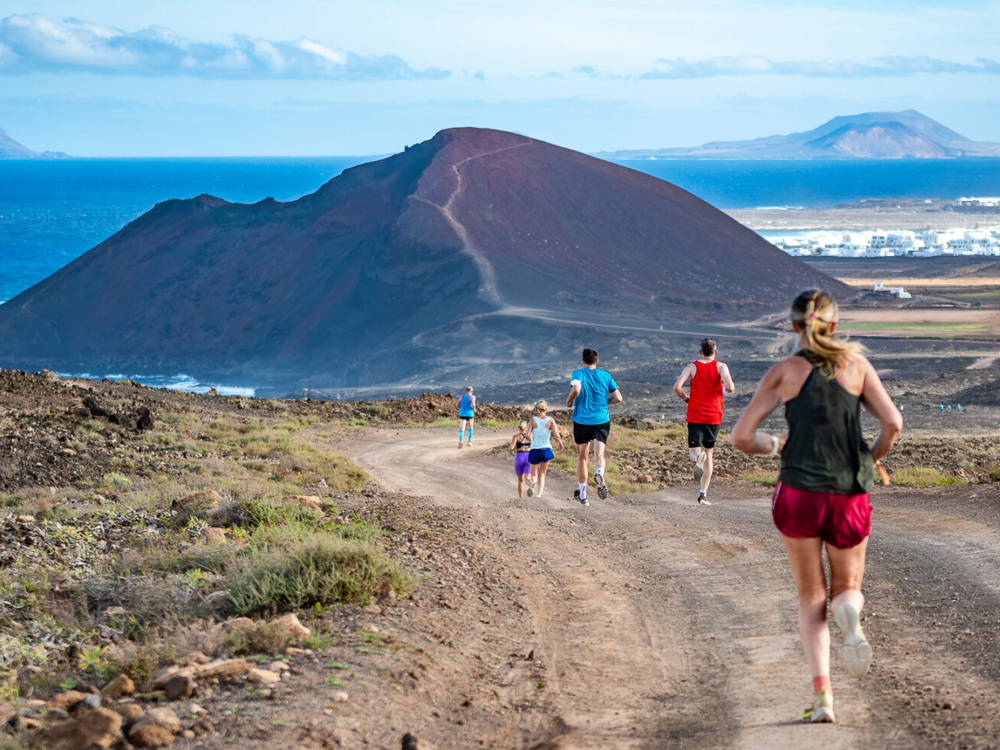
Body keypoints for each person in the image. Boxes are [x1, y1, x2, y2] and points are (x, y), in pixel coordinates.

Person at [732, 289, 902, 724]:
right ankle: (850, 610)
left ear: (792, 327)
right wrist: (871, 459)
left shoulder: (783, 373)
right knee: (847, 587)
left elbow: (741, 437)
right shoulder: (857, 367)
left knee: (811, 597)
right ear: (834, 325)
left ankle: (823, 695)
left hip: (798, 493)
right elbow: (893, 423)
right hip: (848, 491)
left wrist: (776, 445)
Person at [673, 338, 736, 506]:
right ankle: (703, 495)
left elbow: (677, 386)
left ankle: (697, 458)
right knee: (709, 454)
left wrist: (686, 399)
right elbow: (731, 387)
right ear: (716, 352)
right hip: (713, 417)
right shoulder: (721, 366)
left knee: (694, 452)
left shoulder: (692, 366)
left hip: (695, 416)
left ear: (700, 352)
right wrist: (724, 388)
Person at [566, 348, 623, 506]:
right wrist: (606, 402)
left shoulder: (578, 373)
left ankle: (583, 496)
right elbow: (618, 398)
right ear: (597, 362)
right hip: (601, 419)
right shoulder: (605, 375)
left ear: (583, 361)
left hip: (582, 420)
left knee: (583, 457)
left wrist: (569, 401)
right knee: (599, 456)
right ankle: (599, 473)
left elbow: (576, 389)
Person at [524, 401, 564, 498]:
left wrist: (531, 440)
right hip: (546, 450)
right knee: (542, 473)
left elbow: (528, 435)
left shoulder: (532, 420)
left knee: (534, 473)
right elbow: (556, 434)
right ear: (546, 409)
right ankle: (539, 495)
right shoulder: (550, 420)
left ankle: (533, 482)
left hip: (534, 450)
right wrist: (560, 442)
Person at [508, 421, 533, 498]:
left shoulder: (516, 436)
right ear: (527, 428)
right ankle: (530, 484)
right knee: (527, 478)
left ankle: (521, 498)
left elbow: (511, 448)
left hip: (520, 457)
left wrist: (510, 447)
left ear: (518, 427)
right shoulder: (531, 436)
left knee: (520, 481)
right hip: (529, 457)